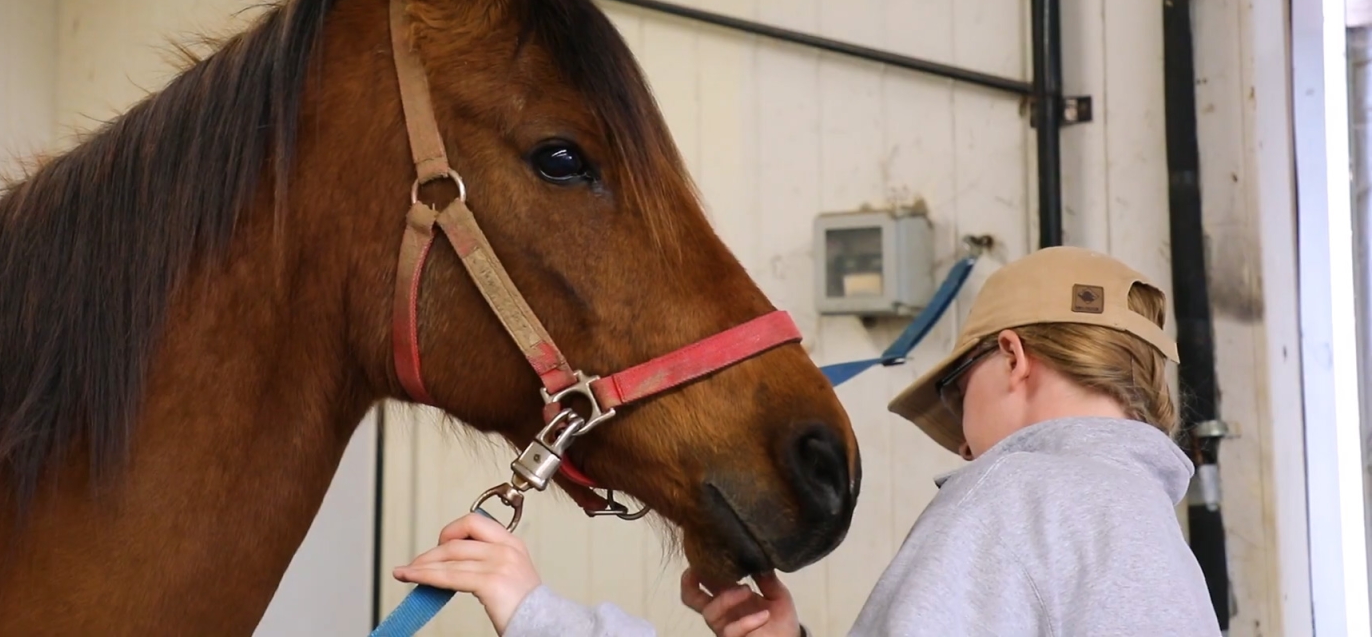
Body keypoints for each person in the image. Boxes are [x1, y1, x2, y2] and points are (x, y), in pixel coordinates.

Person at [390, 246, 1222, 636]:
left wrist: (534, 610)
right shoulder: (1135, 529)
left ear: (1009, 359)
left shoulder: (1022, 495)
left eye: (954, 393)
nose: (963, 449)